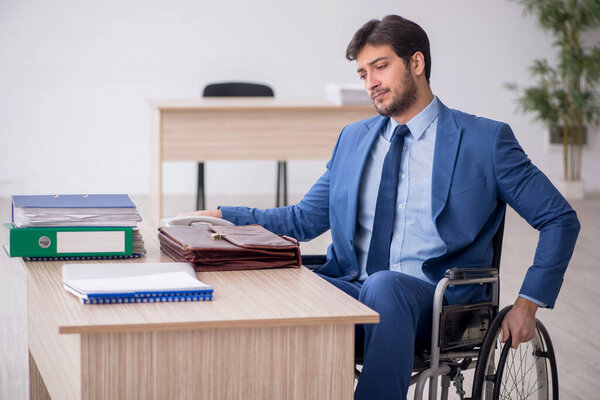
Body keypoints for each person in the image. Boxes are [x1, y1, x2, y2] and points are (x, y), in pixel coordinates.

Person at [181, 15, 580, 400]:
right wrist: (223, 217)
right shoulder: (353, 139)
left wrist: (528, 304)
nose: (371, 82)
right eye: (362, 74)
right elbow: (303, 220)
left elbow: (559, 218)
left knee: (385, 284)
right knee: (273, 280)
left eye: (380, 67)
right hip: (351, 292)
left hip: (436, 303)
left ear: (417, 63)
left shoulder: (484, 140)